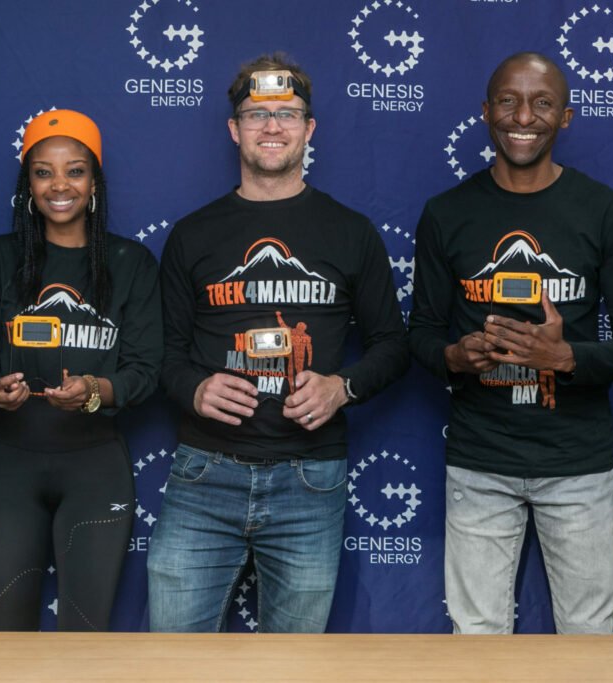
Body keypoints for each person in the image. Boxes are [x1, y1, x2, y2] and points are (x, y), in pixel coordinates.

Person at [147, 53, 409, 633]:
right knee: (170, 662)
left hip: (310, 479)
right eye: (257, 114)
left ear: (309, 128)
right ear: (234, 128)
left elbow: (393, 344)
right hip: (204, 473)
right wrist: (195, 389)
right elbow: (161, 354)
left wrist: (343, 387)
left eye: (287, 114)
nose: (272, 126)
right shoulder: (192, 234)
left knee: (294, 665)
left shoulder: (351, 231)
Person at [408, 52, 613, 634]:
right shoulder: (446, 214)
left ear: (565, 117)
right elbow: (419, 335)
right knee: (477, 644)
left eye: (542, 103)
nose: (523, 117)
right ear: (485, 111)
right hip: (479, 462)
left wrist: (564, 356)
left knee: (589, 641)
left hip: (577, 465)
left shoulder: (604, 211)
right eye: (508, 101)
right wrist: (454, 356)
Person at [0, 109, 162, 631]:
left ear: (94, 183)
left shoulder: (131, 263)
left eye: (75, 170)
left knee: (85, 641)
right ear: (28, 185)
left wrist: (95, 389)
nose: (60, 185)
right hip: (5, 467)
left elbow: (145, 370)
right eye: (43, 172)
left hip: (95, 467)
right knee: (8, 642)